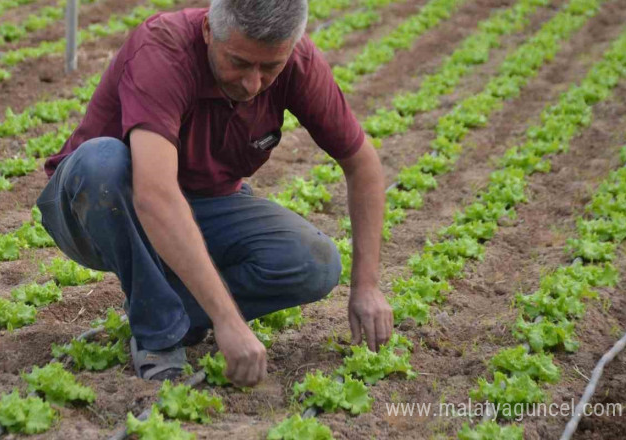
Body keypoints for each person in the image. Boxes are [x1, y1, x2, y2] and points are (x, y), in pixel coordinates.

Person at [36, 0, 392, 387]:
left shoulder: (298, 61)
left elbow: (363, 165)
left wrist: (367, 286)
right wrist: (228, 320)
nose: (253, 83)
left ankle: (172, 310)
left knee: (314, 262)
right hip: (97, 208)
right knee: (102, 161)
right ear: (209, 30)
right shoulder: (164, 50)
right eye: (239, 62)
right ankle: (158, 334)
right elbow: (155, 196)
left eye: (270, 67)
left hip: (203, 205)